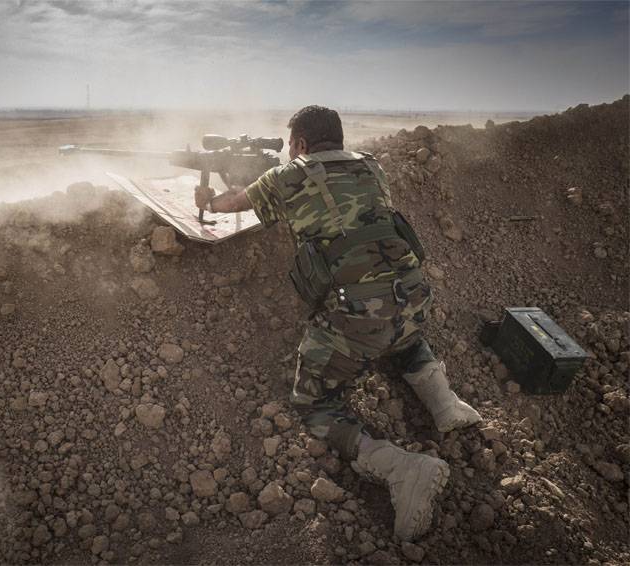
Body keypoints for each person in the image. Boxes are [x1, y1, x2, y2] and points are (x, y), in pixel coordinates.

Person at [194, 105, 481, 541]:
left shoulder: (287, 175)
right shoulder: (373, 166)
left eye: (292, 146)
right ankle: (445, 405)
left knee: (313, 401)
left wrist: (209, 199)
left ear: (302, 144)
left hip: (356, 317)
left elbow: (233, 205)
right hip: (414, 295)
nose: (291, 153)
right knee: (403, 334)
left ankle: (400, 467)